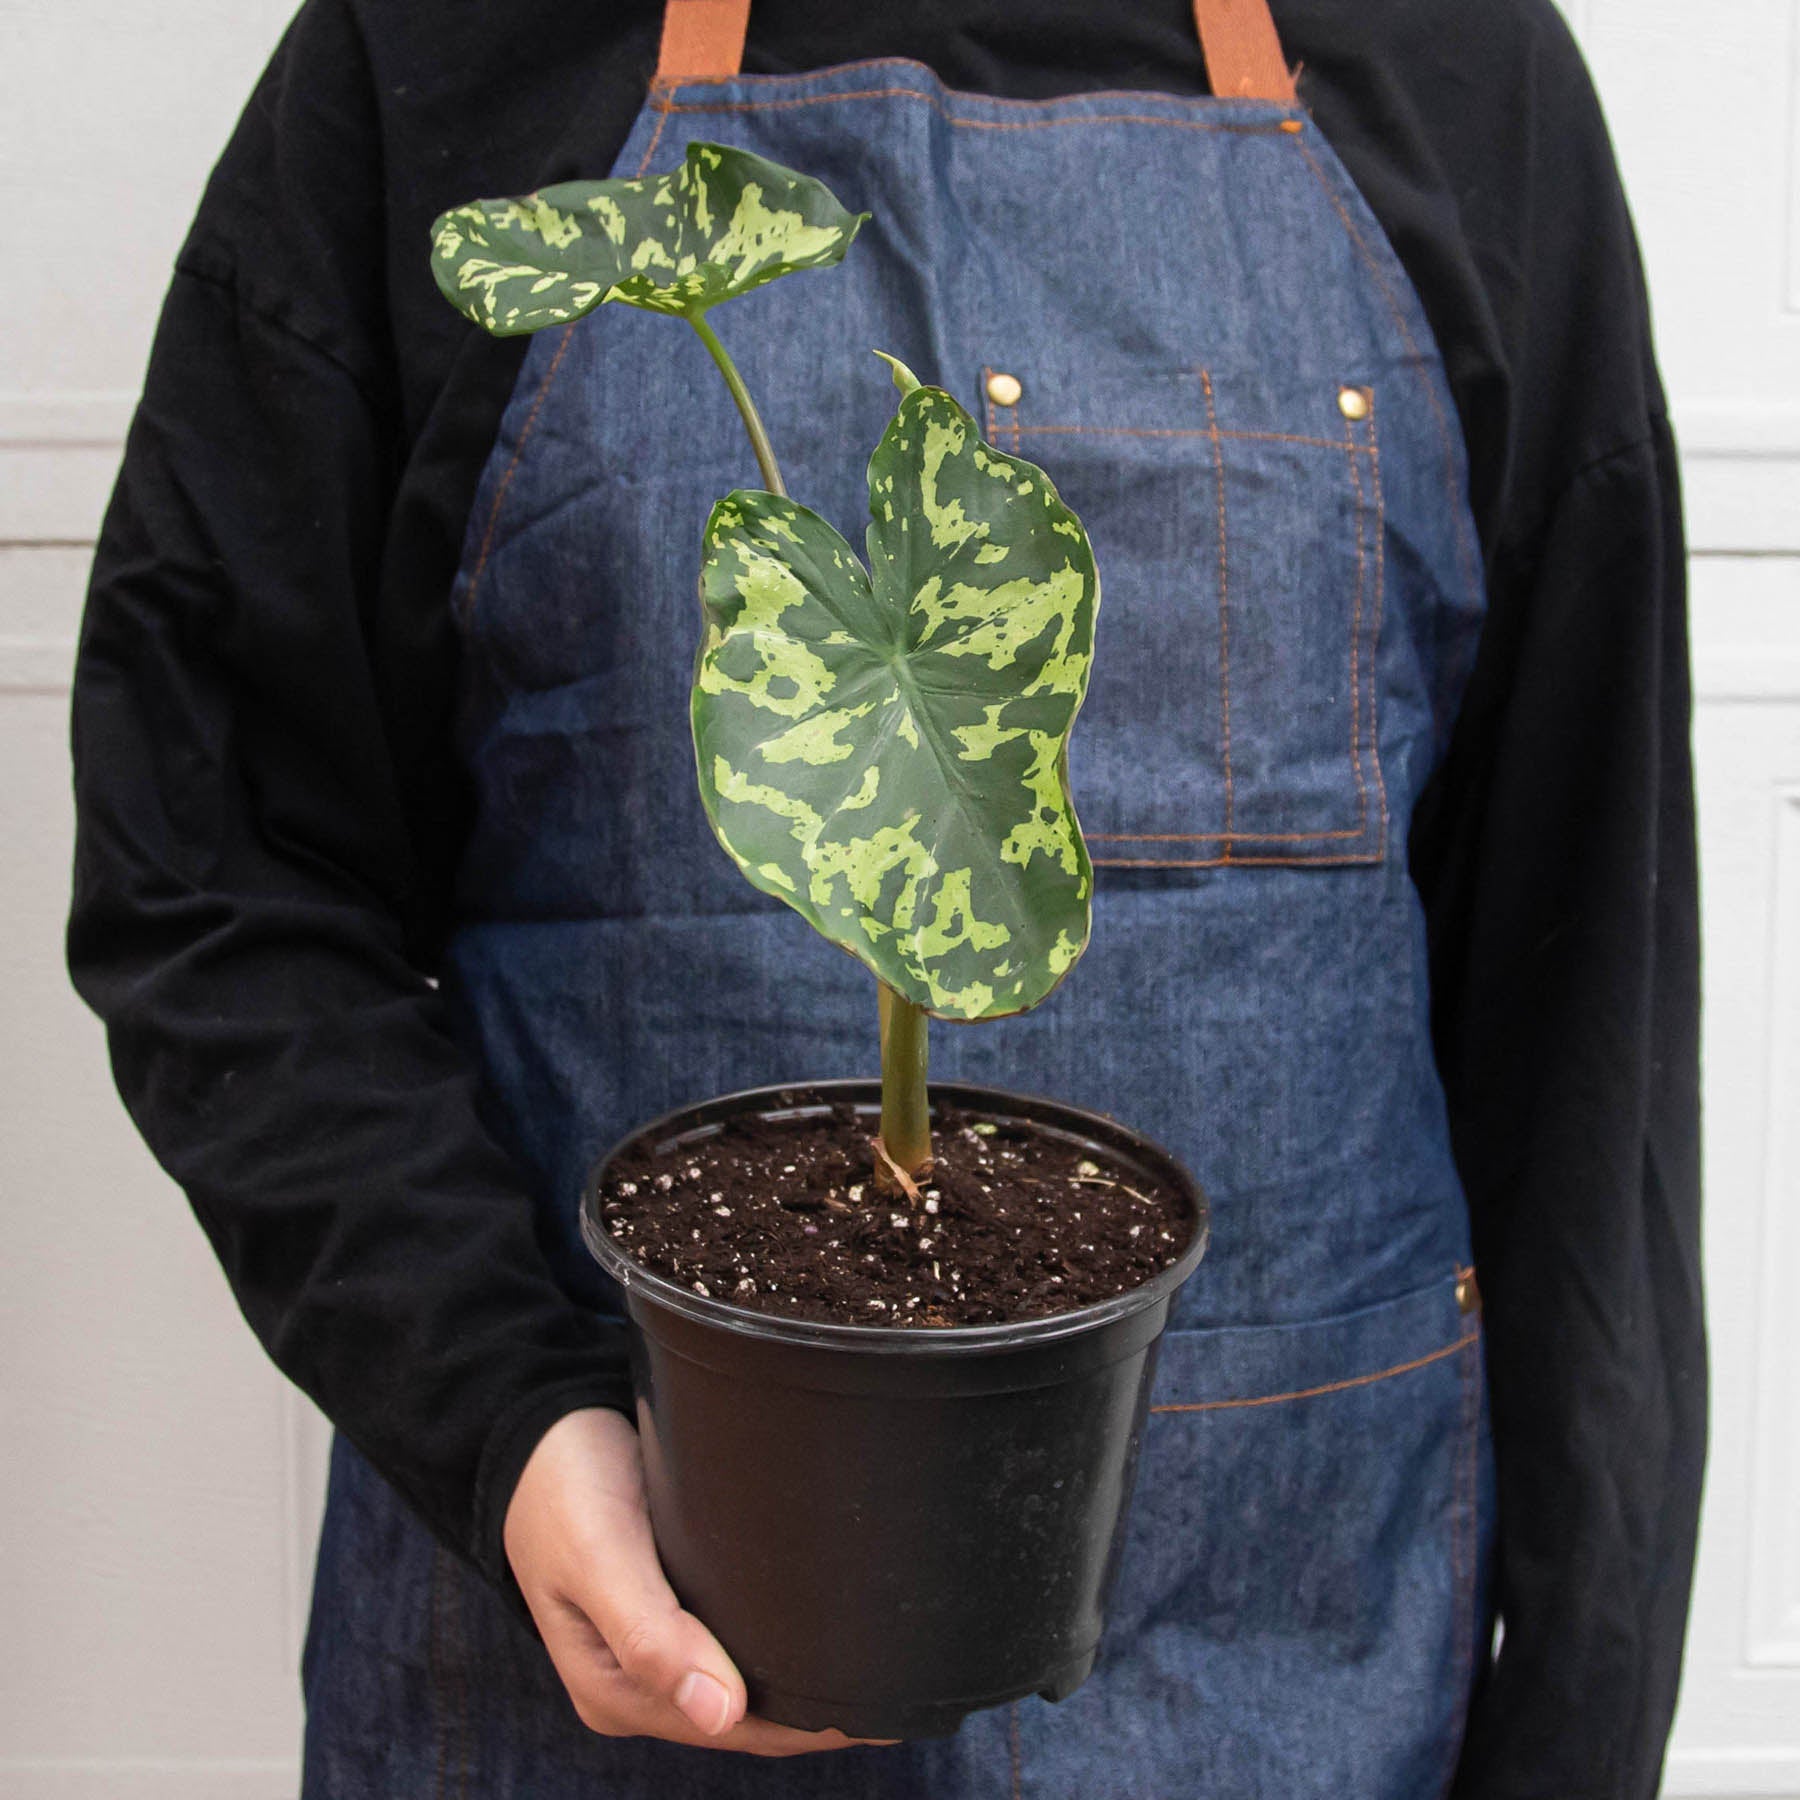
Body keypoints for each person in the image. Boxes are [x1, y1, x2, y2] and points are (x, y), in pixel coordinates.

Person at [66, 0, 1705, 1794]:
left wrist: (1582, 1715)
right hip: (588, 1664)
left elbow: (1584, 1027)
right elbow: (220, 870)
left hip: (1277, 1665)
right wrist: (502, 1421)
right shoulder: (439, 49)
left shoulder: (1451, 60)